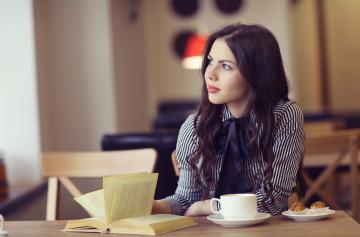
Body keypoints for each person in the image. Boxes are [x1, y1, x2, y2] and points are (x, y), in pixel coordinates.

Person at [152, 23, 305, 216]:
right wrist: (158, 206)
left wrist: (208, 206)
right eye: (210, 61)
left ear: (256, 73)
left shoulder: (284, 115)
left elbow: (272, 201)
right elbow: (187, 199)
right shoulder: (194, 126)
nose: (209, 74)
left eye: (225, 66)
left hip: (269, 230)